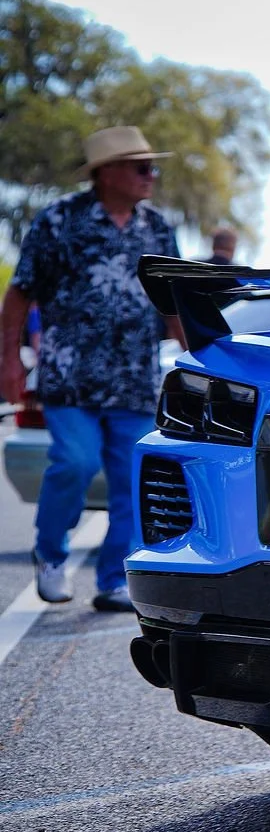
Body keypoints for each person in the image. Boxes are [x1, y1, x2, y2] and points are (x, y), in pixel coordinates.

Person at [0, 127, 184, 612]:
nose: (151, 175)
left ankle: (115, 580)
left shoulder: (158, 228)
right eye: (140, 167)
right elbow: (20, 292)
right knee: (76, 463)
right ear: (106, 173)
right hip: (70, 377)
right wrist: (9, 363)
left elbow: (174, 304)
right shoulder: (58, 220)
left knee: (133, 481)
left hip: (134, 380)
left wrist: (196, 358)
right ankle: (51, 552)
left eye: (153, 167)